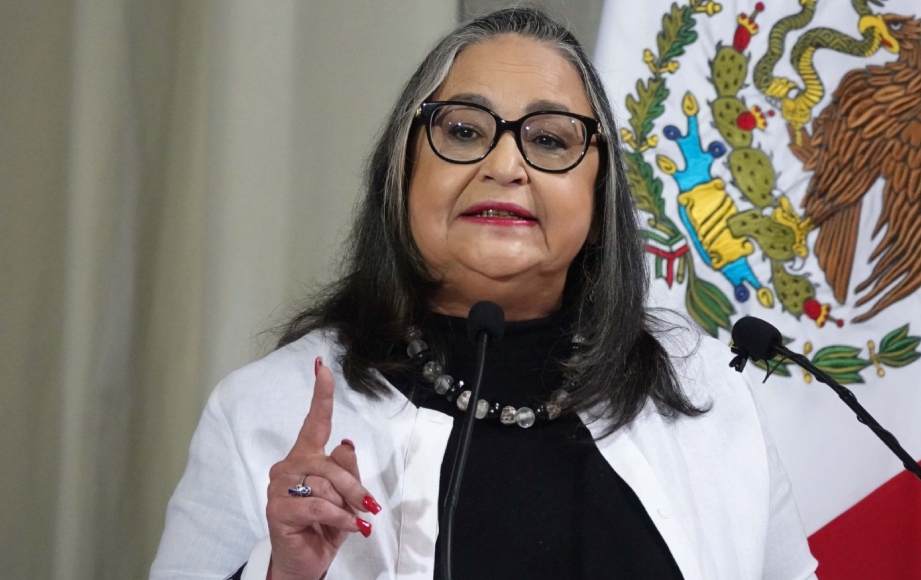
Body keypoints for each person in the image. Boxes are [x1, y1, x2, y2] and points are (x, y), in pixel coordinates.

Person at [150, 8, 818, 580]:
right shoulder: (264, 412)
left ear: (599, 197)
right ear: (403, 173)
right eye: (465, 131)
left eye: (549, 139)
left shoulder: (706, 394)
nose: (505, 165)